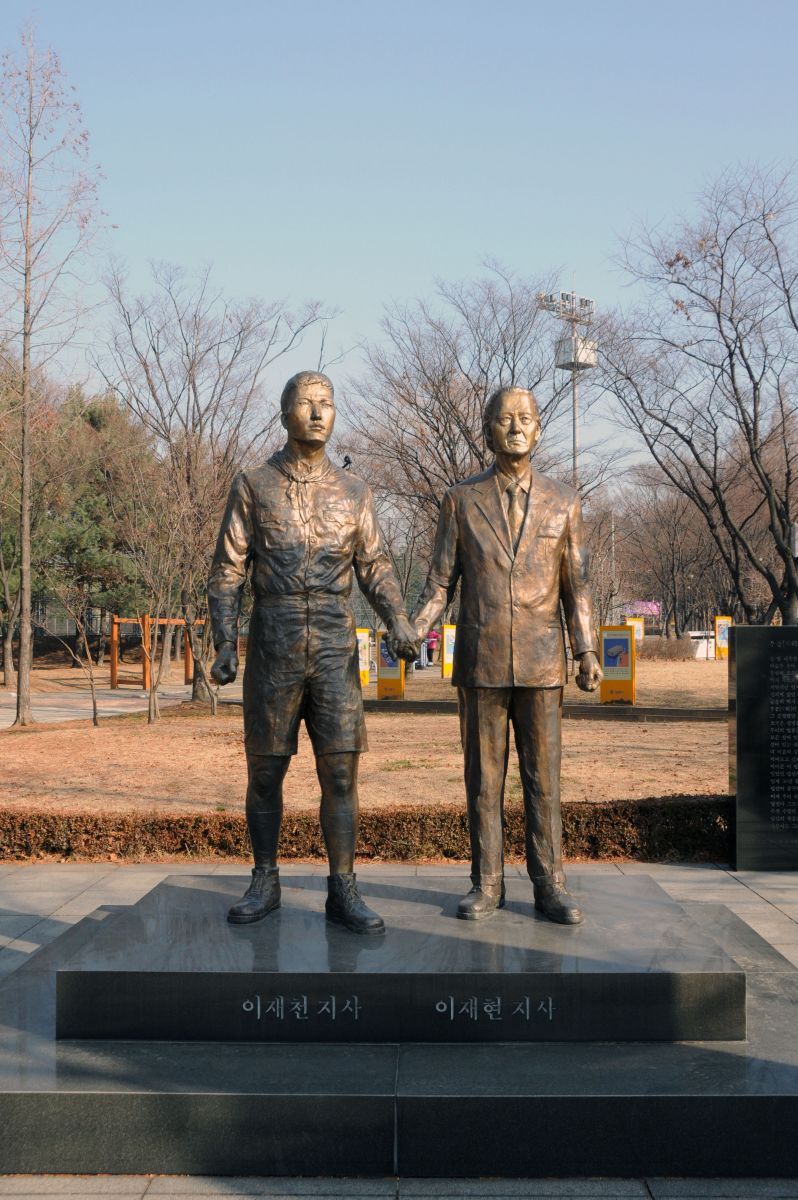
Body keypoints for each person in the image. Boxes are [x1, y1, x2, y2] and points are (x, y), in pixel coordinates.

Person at [208, 371, 418, 934]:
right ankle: (265, 878)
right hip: (273, 640)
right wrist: (225, 641)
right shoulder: (253, 484)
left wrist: (398, 618)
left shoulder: (355, 492)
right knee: (265, 771)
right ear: (285, 415)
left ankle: (342, 886)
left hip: (333, 644)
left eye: (327, 403)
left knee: (341, 773)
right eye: (307, 403)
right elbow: (228, 570)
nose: (319, 413)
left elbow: (375, 565)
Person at [412, 386, 602, 924]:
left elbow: (578, 585)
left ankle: (550, 884)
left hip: (542, 661)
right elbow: (439, 583)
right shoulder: (460, 499)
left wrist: (586, 648)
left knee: (544, 780)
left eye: (525, 418)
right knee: (483, 781)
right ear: (487, 431)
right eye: (504, 419)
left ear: (539, 429)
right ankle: (487, 883)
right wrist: (414, 630)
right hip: (482, 659)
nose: (516, 427)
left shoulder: (564, 500)